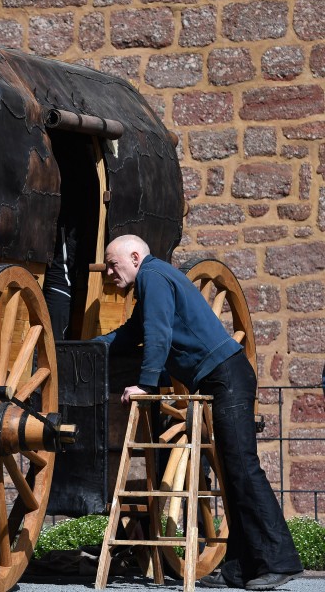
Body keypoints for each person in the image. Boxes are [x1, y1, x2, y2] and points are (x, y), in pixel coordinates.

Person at [96, 235, 302, 591]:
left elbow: (157, 334)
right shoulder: (151, 282)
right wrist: (87, 349)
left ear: (134, 257)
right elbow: (132, 334)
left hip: (226, 376)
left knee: (242, 466)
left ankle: (280, 561)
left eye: (113, 264)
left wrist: (145, 385)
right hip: (219, 379)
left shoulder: (152, 275)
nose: (109, 272)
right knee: (231, 470)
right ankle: (240, 566)